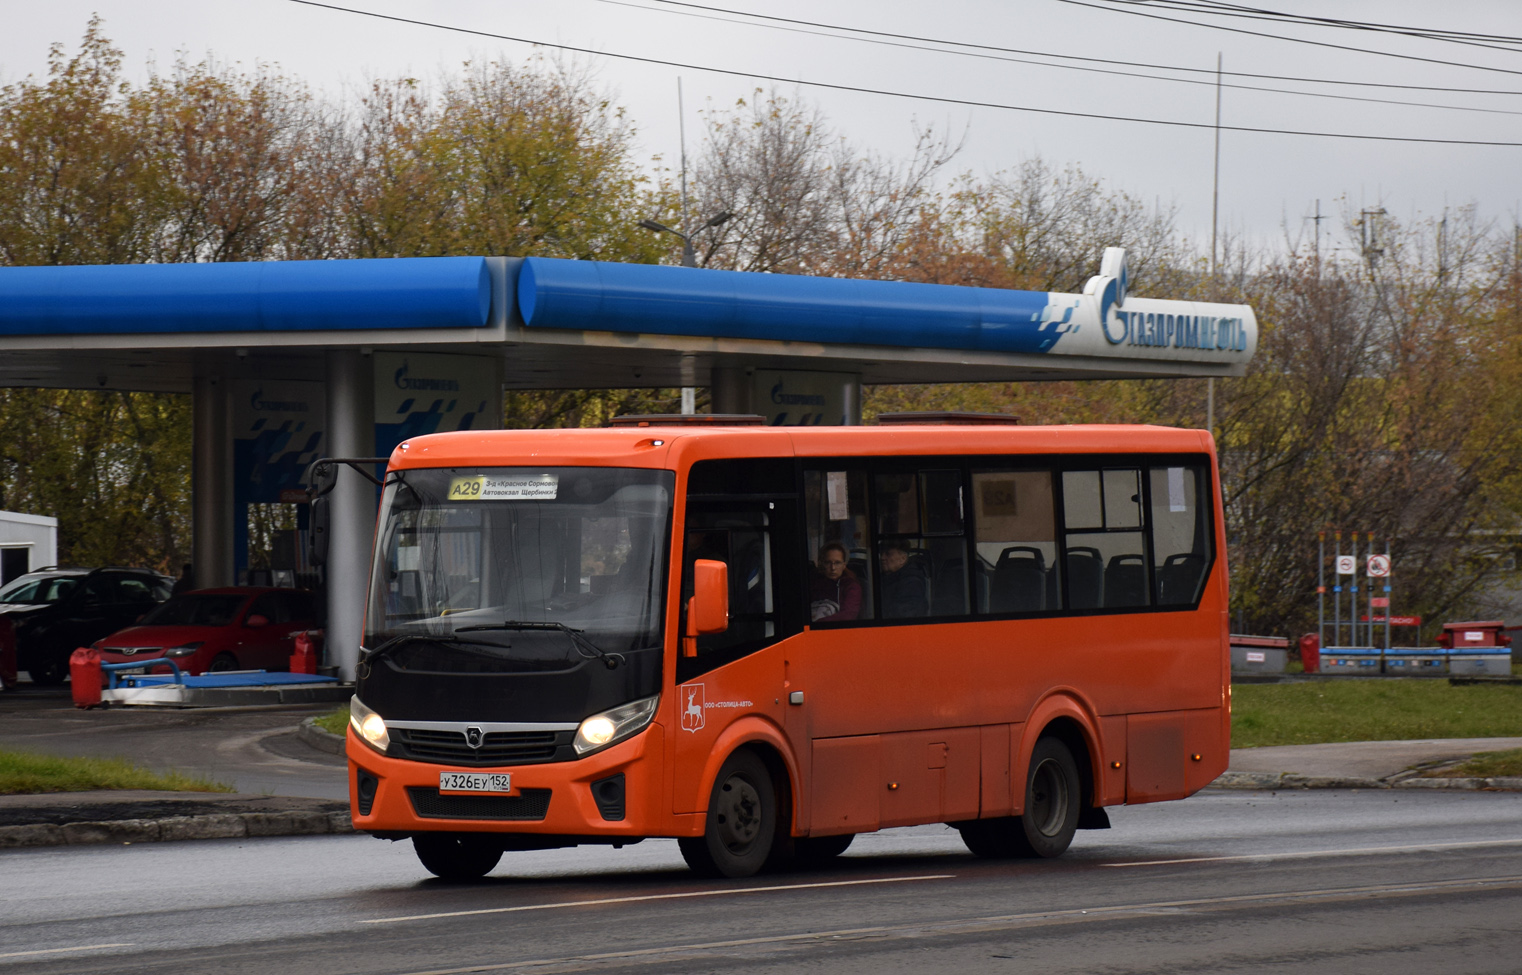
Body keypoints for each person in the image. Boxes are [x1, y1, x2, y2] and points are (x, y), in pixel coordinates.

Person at [809, 542, 861, 622]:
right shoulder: (815, 583)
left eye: (837, 563)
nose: (833, 568)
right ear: (822, 564)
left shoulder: (851, 586)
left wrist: (817, 623)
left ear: (844, 565)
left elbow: (848, 615)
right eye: (828, 563)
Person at [879, 542, 930, 618]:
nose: (882, 558)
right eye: (881, 554)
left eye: (888, 554)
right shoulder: (885, 578)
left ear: (903, 559)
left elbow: (905, 616)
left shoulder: (912, 583)